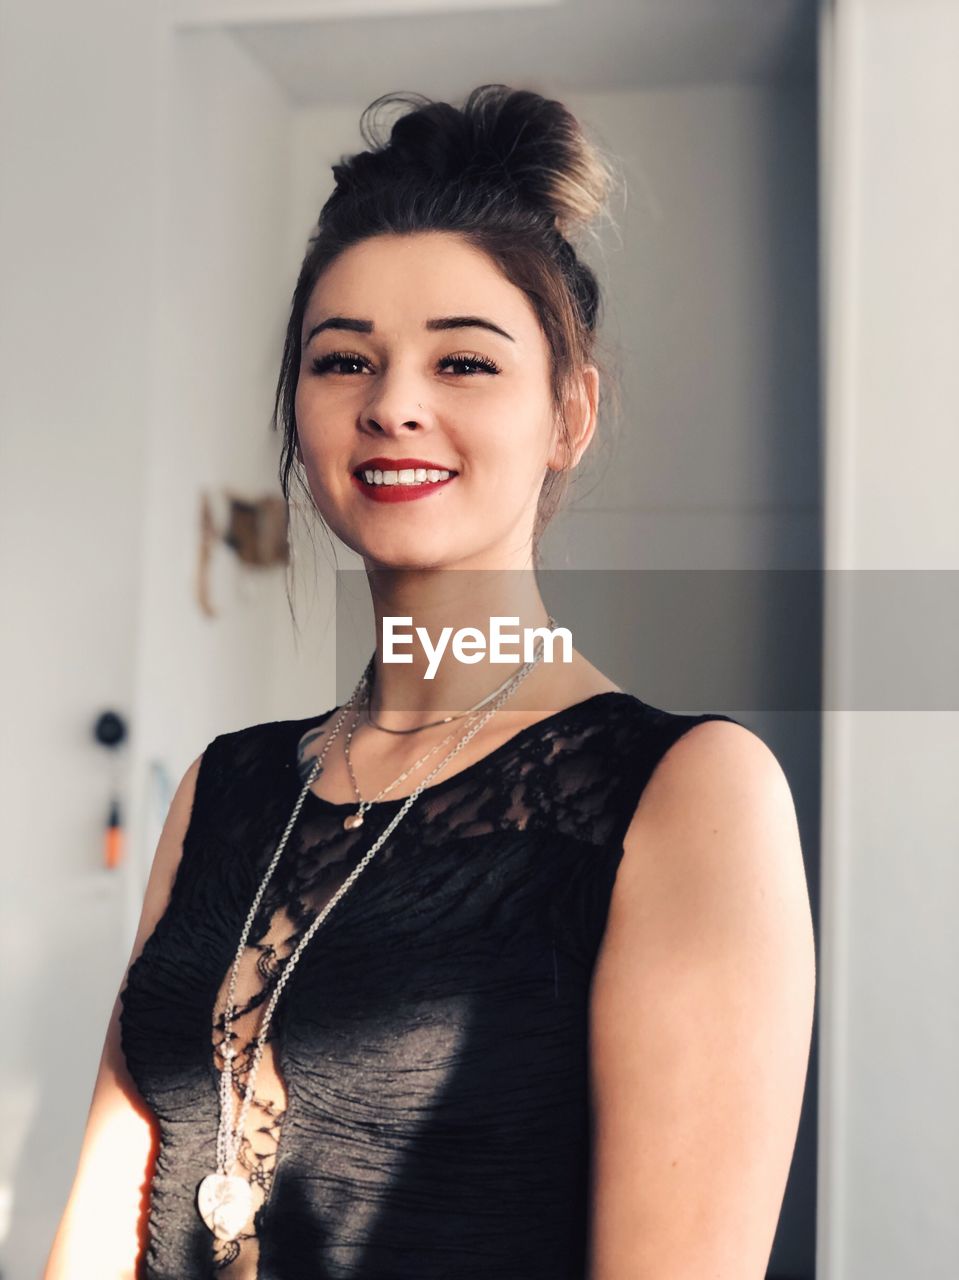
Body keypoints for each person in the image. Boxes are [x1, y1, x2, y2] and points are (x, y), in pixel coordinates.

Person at [46, 84, 815, 1280]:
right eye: (341, 358)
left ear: (570, 410)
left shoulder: (688, 792)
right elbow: (95, 1231)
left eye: (462, 359)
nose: (392, 403)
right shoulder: (229, 783)